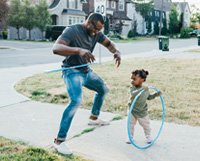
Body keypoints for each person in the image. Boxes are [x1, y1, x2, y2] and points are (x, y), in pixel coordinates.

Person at [52, 13, 121, 155]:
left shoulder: (97, 33)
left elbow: (109, 44)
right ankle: (59, 141)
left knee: (103, 89)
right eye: (95, 29)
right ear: (89, 22)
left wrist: (117, 51)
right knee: (76, 100)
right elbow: (56, 48)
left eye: (99, 31)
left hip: (86, 71)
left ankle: (93, 118)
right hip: (71, 71)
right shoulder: (72, 31)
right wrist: (78, 50)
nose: (96, 33)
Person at [126, 69, 162, 144]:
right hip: (132, 110)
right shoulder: (133, 88)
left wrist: (156, 95)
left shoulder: (145, 89)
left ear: (142, 80)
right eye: (131, 79)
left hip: (142, 111)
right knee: (130, 124)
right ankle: (130, 136)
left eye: (134, 79)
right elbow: (133, 94)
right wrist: (142, 89)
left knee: (146, 124)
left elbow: (148, 97)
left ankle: (148, 136)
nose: (132, 81)